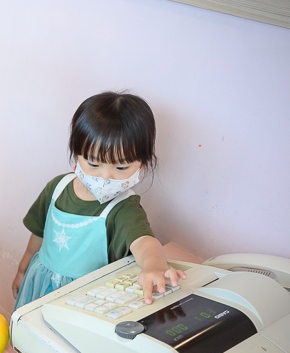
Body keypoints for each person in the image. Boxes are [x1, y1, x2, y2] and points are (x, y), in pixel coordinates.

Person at [12, 92, 185, 310]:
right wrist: (22, 270)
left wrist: (155, 266)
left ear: (142, 164)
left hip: (85, 300)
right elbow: (38, 234)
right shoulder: (56, 188)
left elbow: (144, 243)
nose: (106, 176)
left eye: (121, 168)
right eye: (94, 164)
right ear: (76, 154)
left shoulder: (124, 208)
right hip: (40, 282)